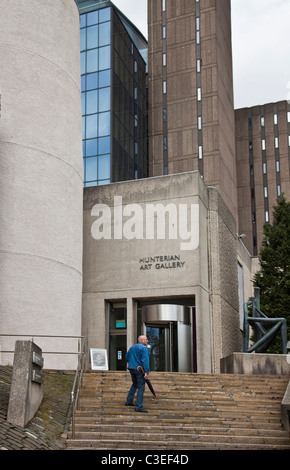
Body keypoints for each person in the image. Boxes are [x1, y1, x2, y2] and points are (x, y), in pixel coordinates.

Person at [125, 335, 150, 412]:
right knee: (141, 387)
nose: (147, 341)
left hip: (131, 368)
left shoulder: (132, 348)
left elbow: (126, 357)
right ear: (141, 340)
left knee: (135, 384)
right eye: (146, 339)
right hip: (139, 369)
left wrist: (132, 363)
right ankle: (139, 406)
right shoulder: (144, 348)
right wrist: (146, 372)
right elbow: (145, 361)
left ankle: (129, 401)